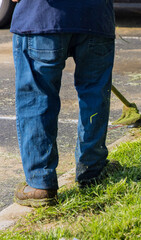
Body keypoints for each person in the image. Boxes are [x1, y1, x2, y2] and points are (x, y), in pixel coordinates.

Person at [10, 0, 117, 207]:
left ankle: (40, 183)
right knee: (95, 93)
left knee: (37, 97)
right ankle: (92, 169)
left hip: (42, 17)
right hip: (95, 18)